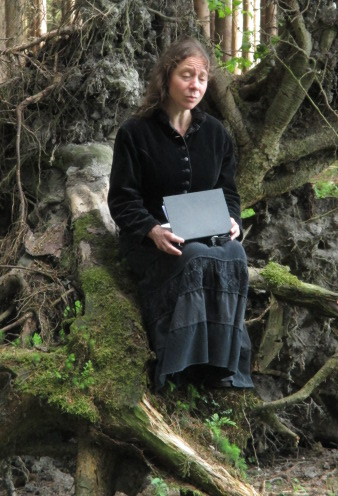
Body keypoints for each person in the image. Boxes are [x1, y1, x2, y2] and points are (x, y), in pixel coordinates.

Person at [107, 38, 253, 391]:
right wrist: (152, 230)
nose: (195, 86)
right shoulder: (134, 133)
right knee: (195, 256)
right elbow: (122, 199)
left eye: (202, 78)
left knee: (235, 254)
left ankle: (223, 367)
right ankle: (181, 366)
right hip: (151, 243)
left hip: (205, 234)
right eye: (187, 75)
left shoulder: (217, 134)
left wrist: (232, 220)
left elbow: (228, 192)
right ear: (166, 76)